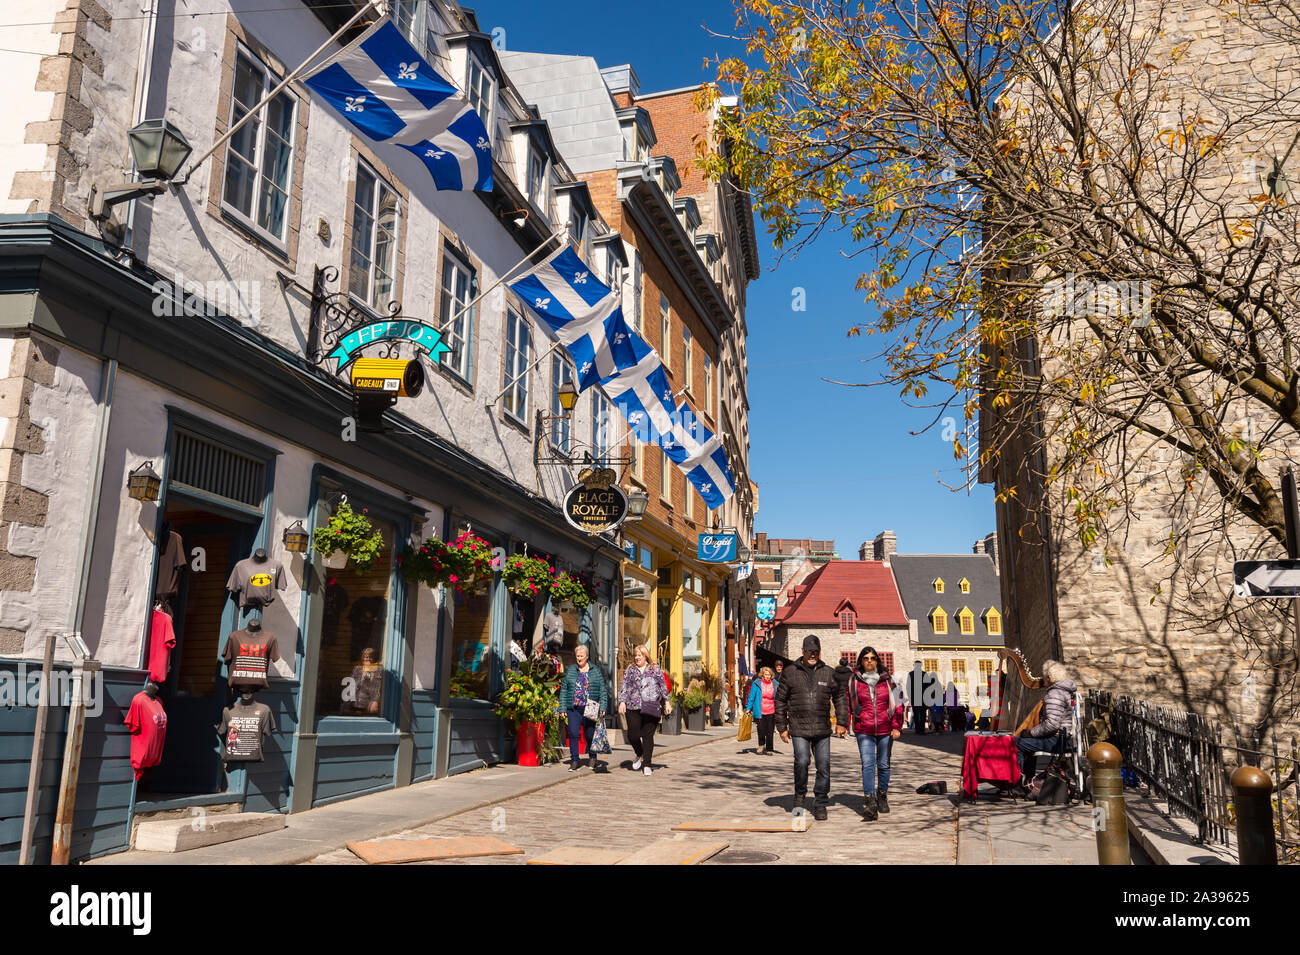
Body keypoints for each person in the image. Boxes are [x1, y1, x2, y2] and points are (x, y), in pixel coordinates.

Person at [775, 635, 848, 821]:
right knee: (802, 762)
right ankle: (799, 798)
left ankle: (821, 802)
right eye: (809, 652)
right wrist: (782, 726)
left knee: (824, 766)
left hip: (822, 728)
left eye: (816, 652)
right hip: (799, 727)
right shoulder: (790, 672)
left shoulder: (829, 673)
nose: (812, 655)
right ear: (803, 652)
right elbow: (781, 700)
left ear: (819, 652)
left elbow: (839, 698)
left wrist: (842, 722)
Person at [847, 646, 904, 820]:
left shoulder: (888, 681)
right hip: (864, 729)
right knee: (868, 764)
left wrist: (896, 726)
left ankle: (882, 794)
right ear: (861, 661)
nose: (869, 661)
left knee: (884, 764)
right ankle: (869, 800)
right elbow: (848, 703)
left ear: (877, 661)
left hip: (886, 729)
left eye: (872, 658)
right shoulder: (854, 681)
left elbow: (898, 704)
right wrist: (845, 723)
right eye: (866, 658)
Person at [1015, 661, 1078, 789]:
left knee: (1015, 742)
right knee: (1026, 741)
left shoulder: (1055, 694)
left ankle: (1019, 784)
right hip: (1065, 739)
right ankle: (1028, 782)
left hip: (1056, 741)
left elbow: (1052, 725)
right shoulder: (1065, 691)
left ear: (1049, 678)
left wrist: (1031, 732)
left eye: (1044, 677)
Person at [618, 644, 671, 775]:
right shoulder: (630, 670)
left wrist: (667, 703)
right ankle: (640, 754)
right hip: (633, 706)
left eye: (639, 655)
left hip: (651, 706)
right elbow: (624, 685)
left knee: (648, 736)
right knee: (632, 735)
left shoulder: (654, 669)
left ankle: (647, 764)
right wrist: (622, 702)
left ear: (645, 656)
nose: (637, 657)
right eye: (635, 655)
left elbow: (662, 685)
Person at [559, 643, 608, 771]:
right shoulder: (571, 670)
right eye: (577, 656)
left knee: (589, 734)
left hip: (590, 707)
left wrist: (603, 706)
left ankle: (592, 757)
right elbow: (564, 690)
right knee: (573, 733)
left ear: (587, 657)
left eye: (581, 656)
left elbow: (603, 689)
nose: (579, 658)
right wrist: (563, 708)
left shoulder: (595, 671)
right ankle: (575, 760)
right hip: (573, 708)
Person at [746, 666, 779, 754]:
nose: (767, 676)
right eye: (766, 674)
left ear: (771, 675)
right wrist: (748, 708)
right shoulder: (757, 683)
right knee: (760, 729)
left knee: (770, 730)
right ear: (762, 675)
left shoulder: (775, 684)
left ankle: (769, 749)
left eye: (769, 675)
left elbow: (779, 697)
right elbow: (751, 697)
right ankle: (761, 745)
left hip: (771, 710)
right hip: (759, 710)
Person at [906, 661, 930, 734]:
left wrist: (910, 696)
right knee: (922, 714)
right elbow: (928, 687)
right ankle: (922, 730)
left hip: (914, 696)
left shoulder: (911, 674)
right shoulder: (924, 674)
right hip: (923, 697)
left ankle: (917, 729)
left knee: (916, 714)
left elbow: (908, 687)